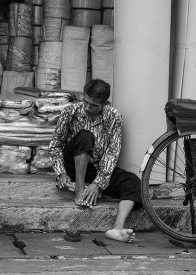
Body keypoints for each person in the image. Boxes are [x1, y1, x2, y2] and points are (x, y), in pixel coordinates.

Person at [48, 78, 142, 243]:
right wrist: (61, 172)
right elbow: (55, 145)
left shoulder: (114, 116)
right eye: (85, 101)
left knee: (132, 182)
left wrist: (97, 183)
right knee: (85, 136)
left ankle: (117, 228)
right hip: (73, 164)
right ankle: (79, 191)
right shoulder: (70, 111)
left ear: (105, 104)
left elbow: (112, 153)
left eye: (93, 105)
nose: (87, 107)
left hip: (97, 169)